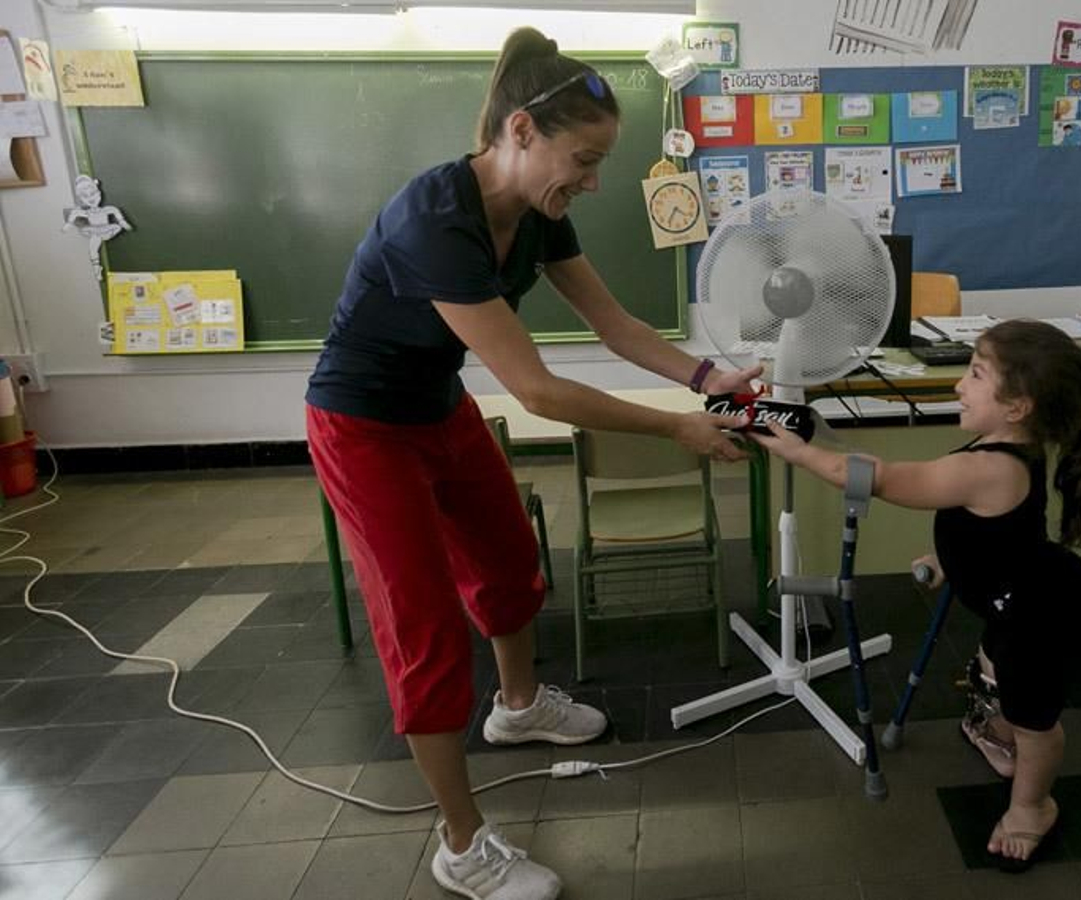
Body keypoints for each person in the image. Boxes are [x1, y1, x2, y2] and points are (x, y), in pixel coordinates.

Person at [305, 27, 758, 900]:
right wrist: (677, 429)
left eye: (598, 165)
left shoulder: (539, 215)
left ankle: (518, 711)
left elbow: (617, 325)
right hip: (362, 427)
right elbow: (539, 392)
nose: (590, 182)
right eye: (582, 160)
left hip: (437, 407)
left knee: (511, 563)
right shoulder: (433, 219)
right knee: (425, 627)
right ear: (520, 131)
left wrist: (712, 379)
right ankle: (463, 845)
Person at [753, 318, 1081, 872]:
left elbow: (882, 478)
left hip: (1044, 615)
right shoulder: (1006, 448)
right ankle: (998, 731)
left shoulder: (988, 465)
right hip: (1013, 596)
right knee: (995, 670)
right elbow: (997, 529)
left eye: (976, 374)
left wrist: (799, 453)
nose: (959, 385)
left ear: (1018, 407)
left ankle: (1032, 806)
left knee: (1036, 718)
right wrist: (949, 559)